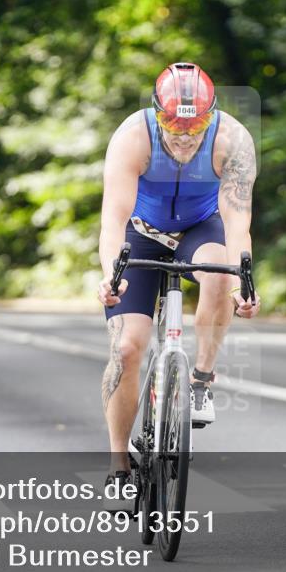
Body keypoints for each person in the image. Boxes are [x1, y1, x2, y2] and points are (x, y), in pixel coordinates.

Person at [95, 62, 261, 497]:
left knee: (219, 273)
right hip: (141, 232)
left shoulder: (233, 141)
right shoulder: (133, 137)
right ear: (157, 116)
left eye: (195, 126)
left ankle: (201, 380)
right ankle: (118, 466)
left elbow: (237, 225)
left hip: (200, 228)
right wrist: (111, 274)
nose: (185, 137)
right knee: (126, 348)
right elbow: (113, 220)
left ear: (211, 117)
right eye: (173, 126)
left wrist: (243, 284)